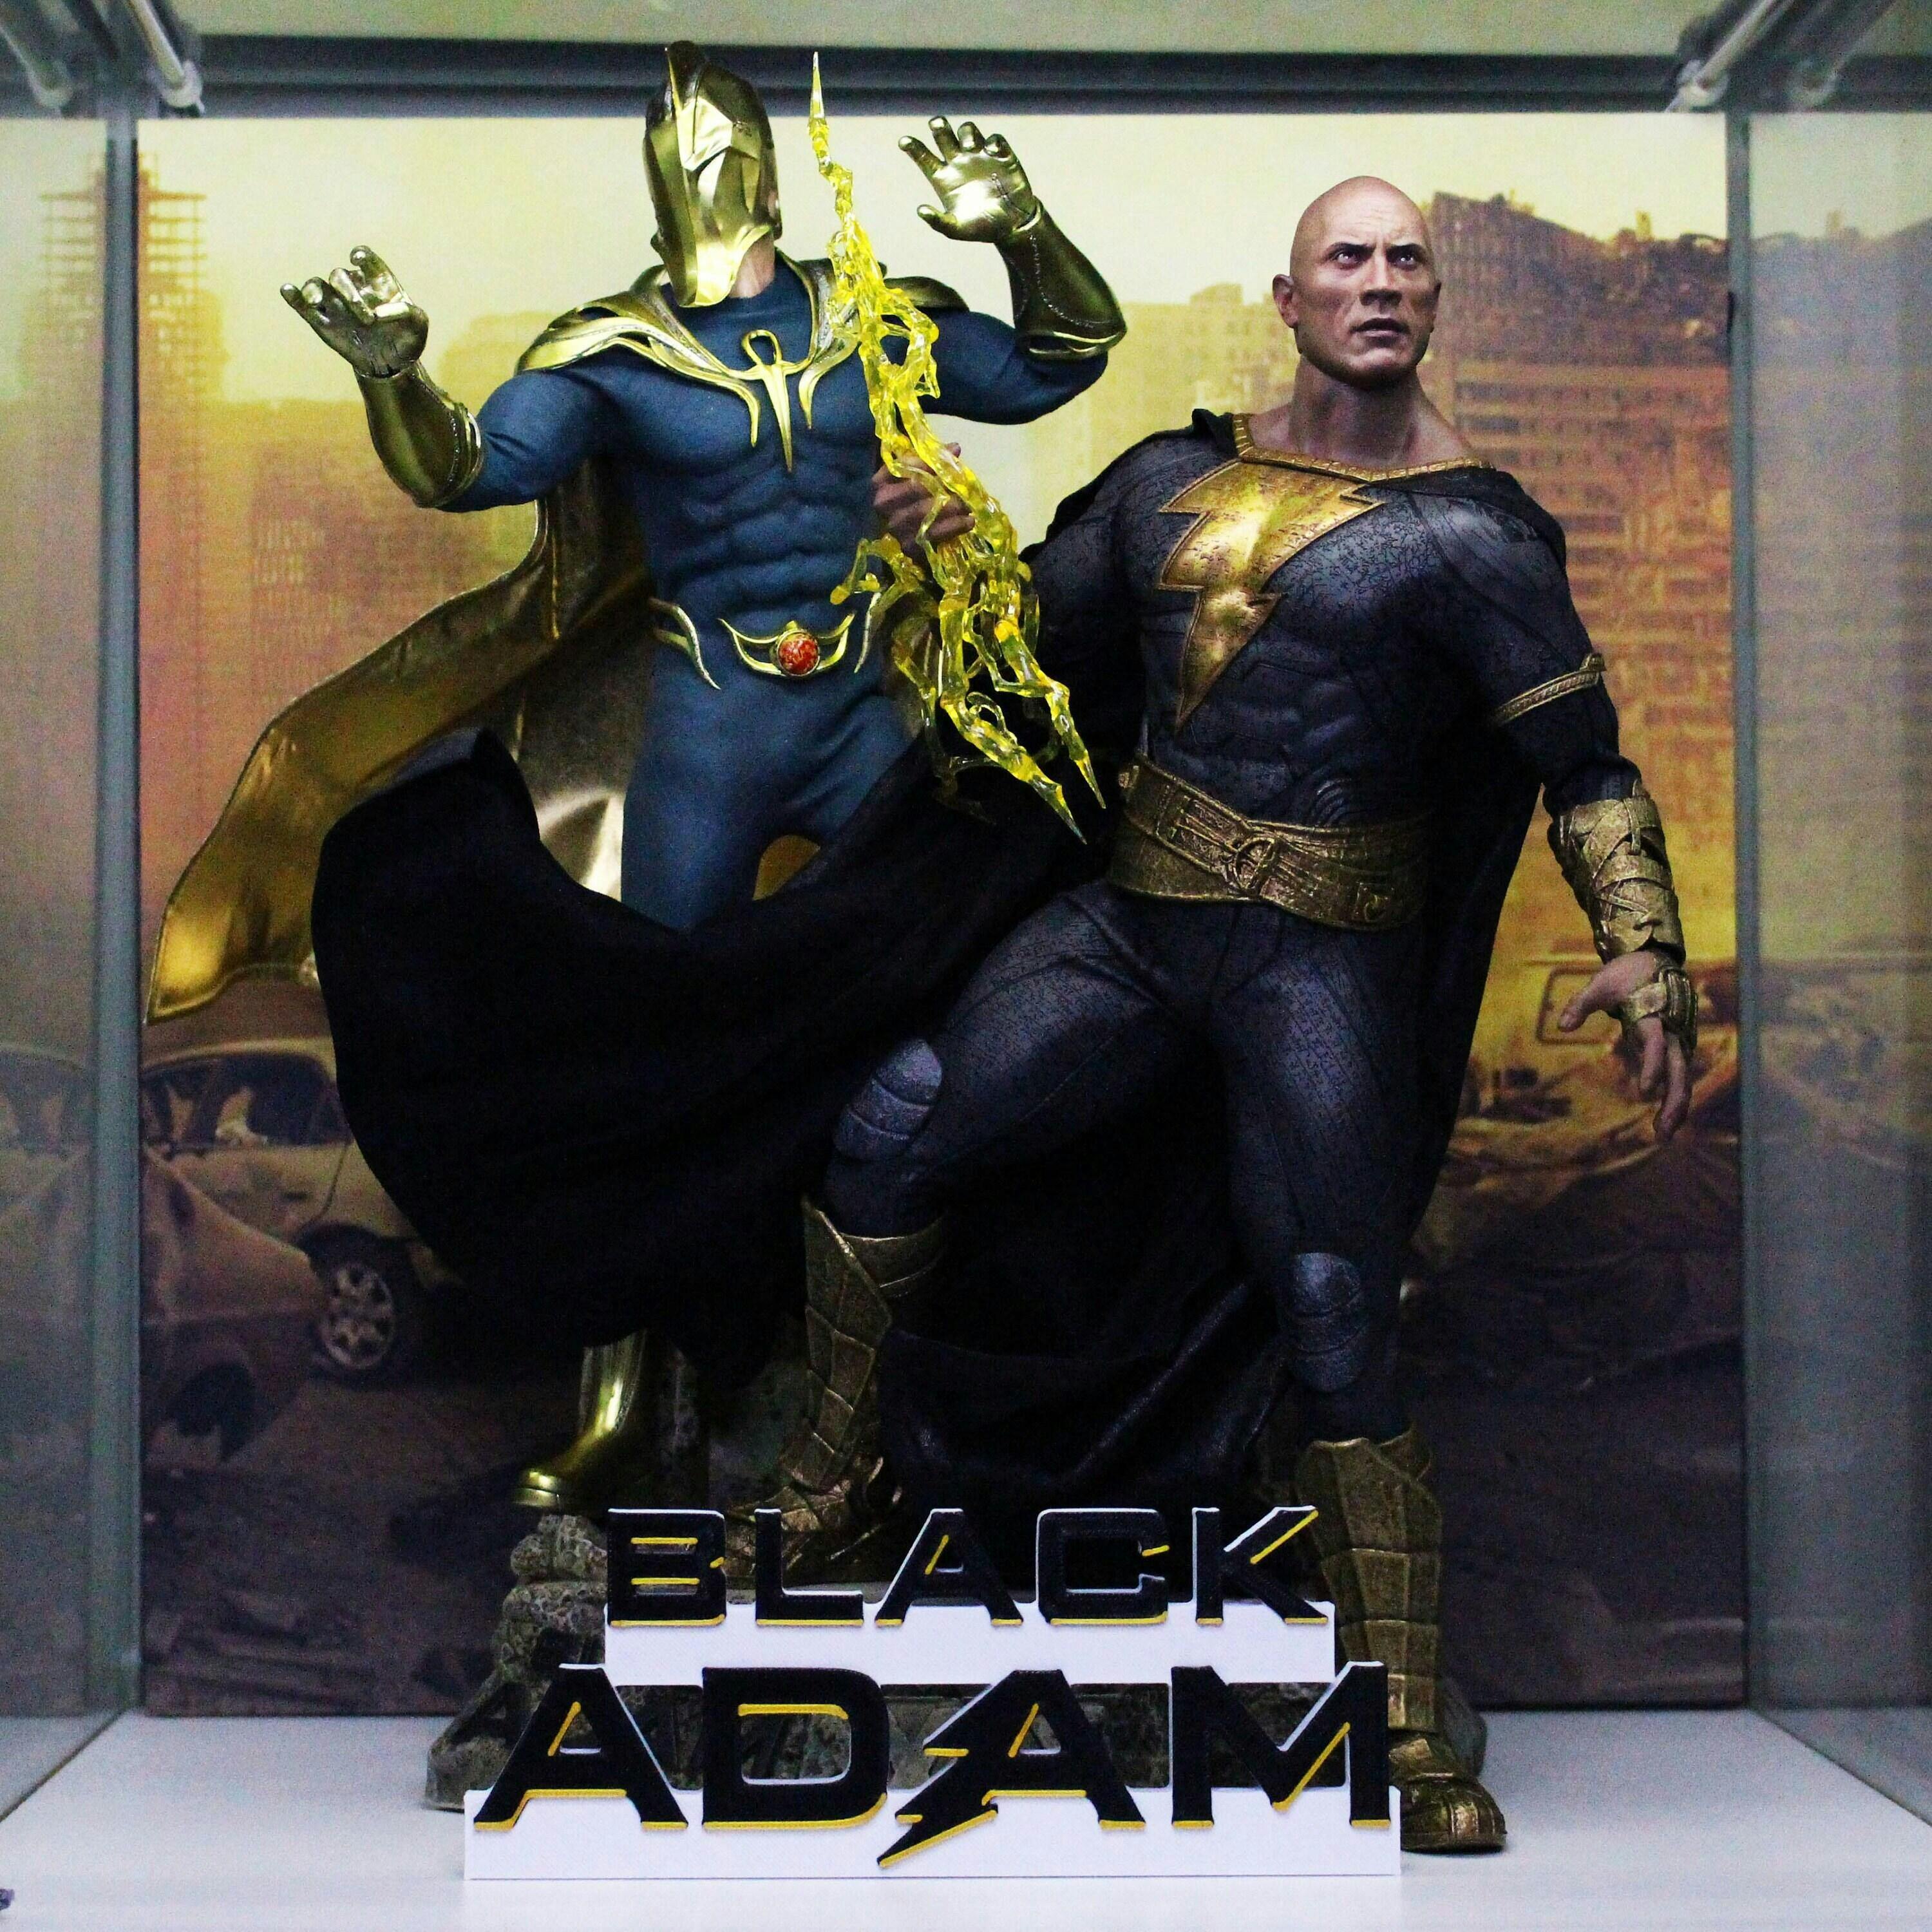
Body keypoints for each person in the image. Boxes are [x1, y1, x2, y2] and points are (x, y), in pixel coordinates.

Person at [784, 175, 1698, 1855]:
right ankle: (831, 1490)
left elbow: (1584, 765)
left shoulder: (1477, 533)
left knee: (1339, 1310)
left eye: (1406, 260)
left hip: (1321, 960)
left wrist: (1642, 939)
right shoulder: (1162, 480)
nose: (1379, 283)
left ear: (1437, 299)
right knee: (892, 1127)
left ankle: (1402, 1716)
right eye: (1347, 259)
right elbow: (1035, 636)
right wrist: (948, 545)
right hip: (1135, 924)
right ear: (1290, 298)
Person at [153, 44, 1124, 1515]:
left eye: (725, 145)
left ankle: (905, 1387)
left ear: (770, 167)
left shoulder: (875, 314)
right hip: (713, 720)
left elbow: (1064, 357)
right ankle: (622, 1405)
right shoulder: (612, 354)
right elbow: (467, 468)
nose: (706, 165)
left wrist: (1024, 228)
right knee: (645, 1058)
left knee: (944, 1017)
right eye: (686, 151)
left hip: (862, 707)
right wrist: (394, 374)